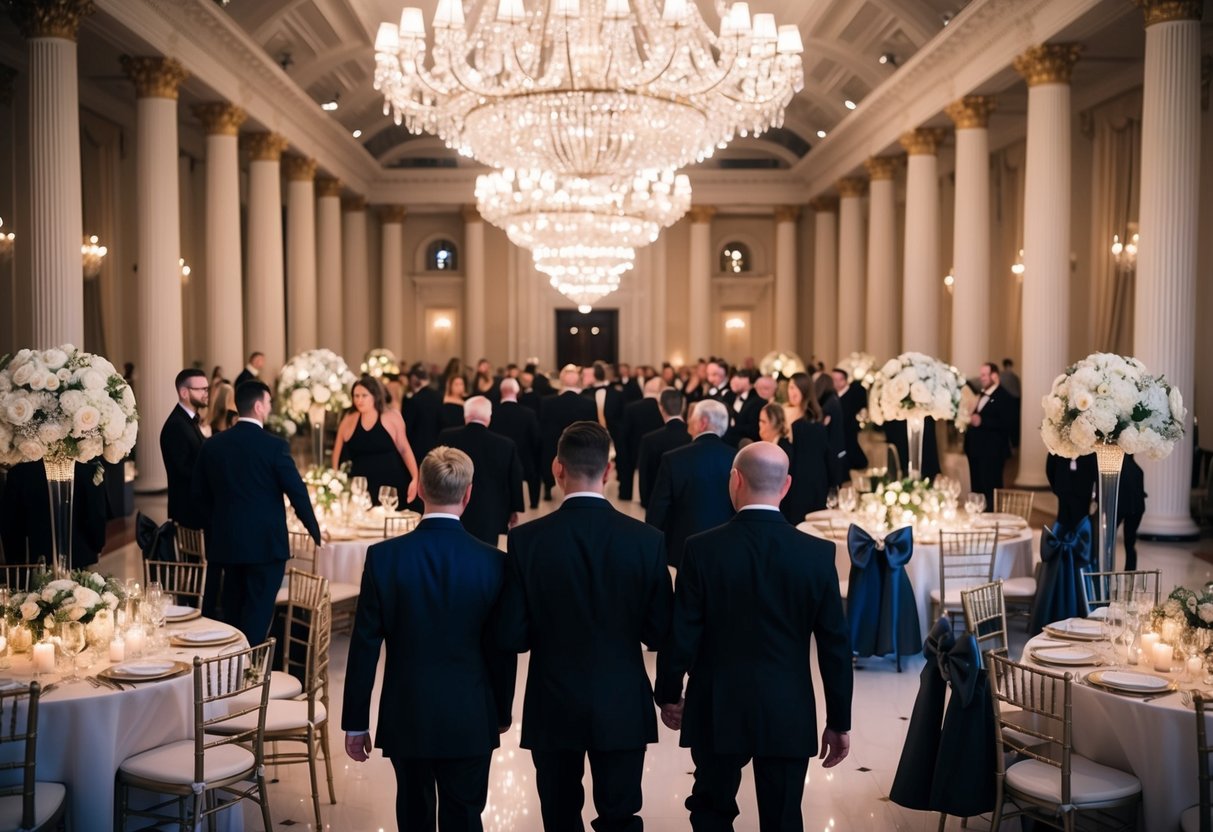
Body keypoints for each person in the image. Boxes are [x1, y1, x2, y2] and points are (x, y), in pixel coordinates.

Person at [655, 442, 853, 831]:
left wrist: (668, 693)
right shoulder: (816, 554)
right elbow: (834, 645)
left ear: (735, 480)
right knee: (782, 818)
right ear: (787, 485)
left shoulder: (700, 550)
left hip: (716, 703)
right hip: (787, 707)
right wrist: (838, 720)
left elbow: (682, 634)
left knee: (711, 810)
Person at [499, 421, 673, 831]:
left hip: (553, 701)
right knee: (620, 815)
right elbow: (660, 632)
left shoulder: (526, 541)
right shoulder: (646, 541)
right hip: (622, 701)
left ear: (557, 469)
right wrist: (670, 694)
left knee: (559, 816)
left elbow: (512, 635)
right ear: (608, 471)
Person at [342, 447, 516, 831]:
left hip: (408, 711)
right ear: (469, 494)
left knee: (414, 813)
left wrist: (356, 721)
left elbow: (365, 643)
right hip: (471, 713)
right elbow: (502, 648)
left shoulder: (384, 557)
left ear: (420, 489)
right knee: (465, 815)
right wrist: (501, 711)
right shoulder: (494, 562)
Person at [192, 380, 322, 645]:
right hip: (265, 546)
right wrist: (315, 531)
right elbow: (297, 492)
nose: (270, 407)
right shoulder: (274, 446)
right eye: (269, 403)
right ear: (260, 406)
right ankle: (249, 670)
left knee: (232, 610)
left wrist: (218, 527)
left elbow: (198, 496)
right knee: (258, 612)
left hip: (227, 544)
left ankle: (228, 667)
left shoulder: (213, 445)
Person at [646, 399, 737, 570]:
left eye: (692, 418)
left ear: (703, 422)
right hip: (726, 544)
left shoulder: (673, 458)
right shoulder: (737, 458)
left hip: (683, 545)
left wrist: (650, 546)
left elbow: (658, 509)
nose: (688, 422)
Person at [438, 396, 525, 547]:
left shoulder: (447, 437)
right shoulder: (505, 445)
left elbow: (437, 471)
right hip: (490, 513)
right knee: (487, 554)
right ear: (489, 417)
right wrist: (514, 509)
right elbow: (514, 479)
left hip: (453, 508)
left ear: (466, 415)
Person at [0, 460, 107, 568]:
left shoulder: (19, 471)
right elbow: (96, 514)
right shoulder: (87, 466)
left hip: (37, 558)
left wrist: (15, 560)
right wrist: (98, 544)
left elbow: (10, 525)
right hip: (81, 555)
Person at [332, 376, 420, 506]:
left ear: (375, 396)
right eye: (356, 396)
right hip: (361, 488)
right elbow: (336, 453)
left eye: (364, 396)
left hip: (390, 485)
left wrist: (415, 477)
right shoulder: (349, 419)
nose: (359, 400)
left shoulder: (391, 417)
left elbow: (404, 449)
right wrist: (336, 479)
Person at [160, 368, 210, 531]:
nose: (206, 393)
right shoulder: (176, 425)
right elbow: (183, 470)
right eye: (201, 389)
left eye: (206, 388)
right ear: (184, 392)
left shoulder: (188, 420)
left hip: (196, 506)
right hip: (188, 511)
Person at [539, 365, 597, 501]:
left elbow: (543, 425)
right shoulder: (588, 402)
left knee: (549, 459)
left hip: (553, 440)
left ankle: (548, 487)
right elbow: (592, 426)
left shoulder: (548, 401)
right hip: (580, 441)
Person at [964, 362, 1017, 509]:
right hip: (975, 451)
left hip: (992, 452)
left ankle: (992, 521)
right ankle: (977, 518)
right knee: (977, 488)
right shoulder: (981, 394)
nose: (981, 378)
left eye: (984, 375)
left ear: (994, 376)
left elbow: (1008, 423)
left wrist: (982, 421)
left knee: (990, 489)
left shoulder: (1004, 397)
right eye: (981, 375)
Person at [490, 378, 543, 510]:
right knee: (533, 469)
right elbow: (536, 438)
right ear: (517, 391)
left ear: (501, 392)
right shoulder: (529, 414)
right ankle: (534, 502)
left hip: (500, 458)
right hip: (525, 458)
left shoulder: (493, 413)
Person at [637, 388, 692, 510]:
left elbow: (645, 478)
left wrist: (646, 504)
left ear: (661, 407)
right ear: (683, 406)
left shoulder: (649, 440)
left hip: (659, 504)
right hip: (689, 503)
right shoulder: (693, 435)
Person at [616, 377, 665, 502]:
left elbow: (622, 436)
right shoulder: (663, 409)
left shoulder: (631, 408)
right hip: (659, 456)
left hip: (633, 453)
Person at [402, 365, 443, 467]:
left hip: (417, 448)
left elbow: (407, 427)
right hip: (437, 445)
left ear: (414, 379)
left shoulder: (413, 400)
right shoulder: (439, 396)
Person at [1046, 453, 1096, 531]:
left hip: (1083, 493)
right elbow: (1050, 468)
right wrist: (1056, 488)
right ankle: (1062, 541)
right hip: (1064, 490)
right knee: (1063, 520)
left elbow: (1095, 470)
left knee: (1080, 523)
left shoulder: (1088, 446)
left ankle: (1079, 542)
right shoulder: (1059, 445)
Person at [814, 373, 849, 485]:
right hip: (837, 449)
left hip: (830, 451)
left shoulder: (828, 405)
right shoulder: (834, 400)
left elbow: (822, 428)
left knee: (831, 487)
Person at [831, 368, 869, 471]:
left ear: (845, 380)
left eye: (839, 379)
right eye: (833, 379)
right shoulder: (832, 395)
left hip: (849, 432)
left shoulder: (854, 393)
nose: (836, 382)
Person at [723, 368, 765, 448]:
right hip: (726, 443)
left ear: (747, 380)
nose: (733, 382)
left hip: (745, 446)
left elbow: (753, 429)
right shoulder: (728, 396)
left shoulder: (758, 402)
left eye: (739, 377)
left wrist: (732, 428)